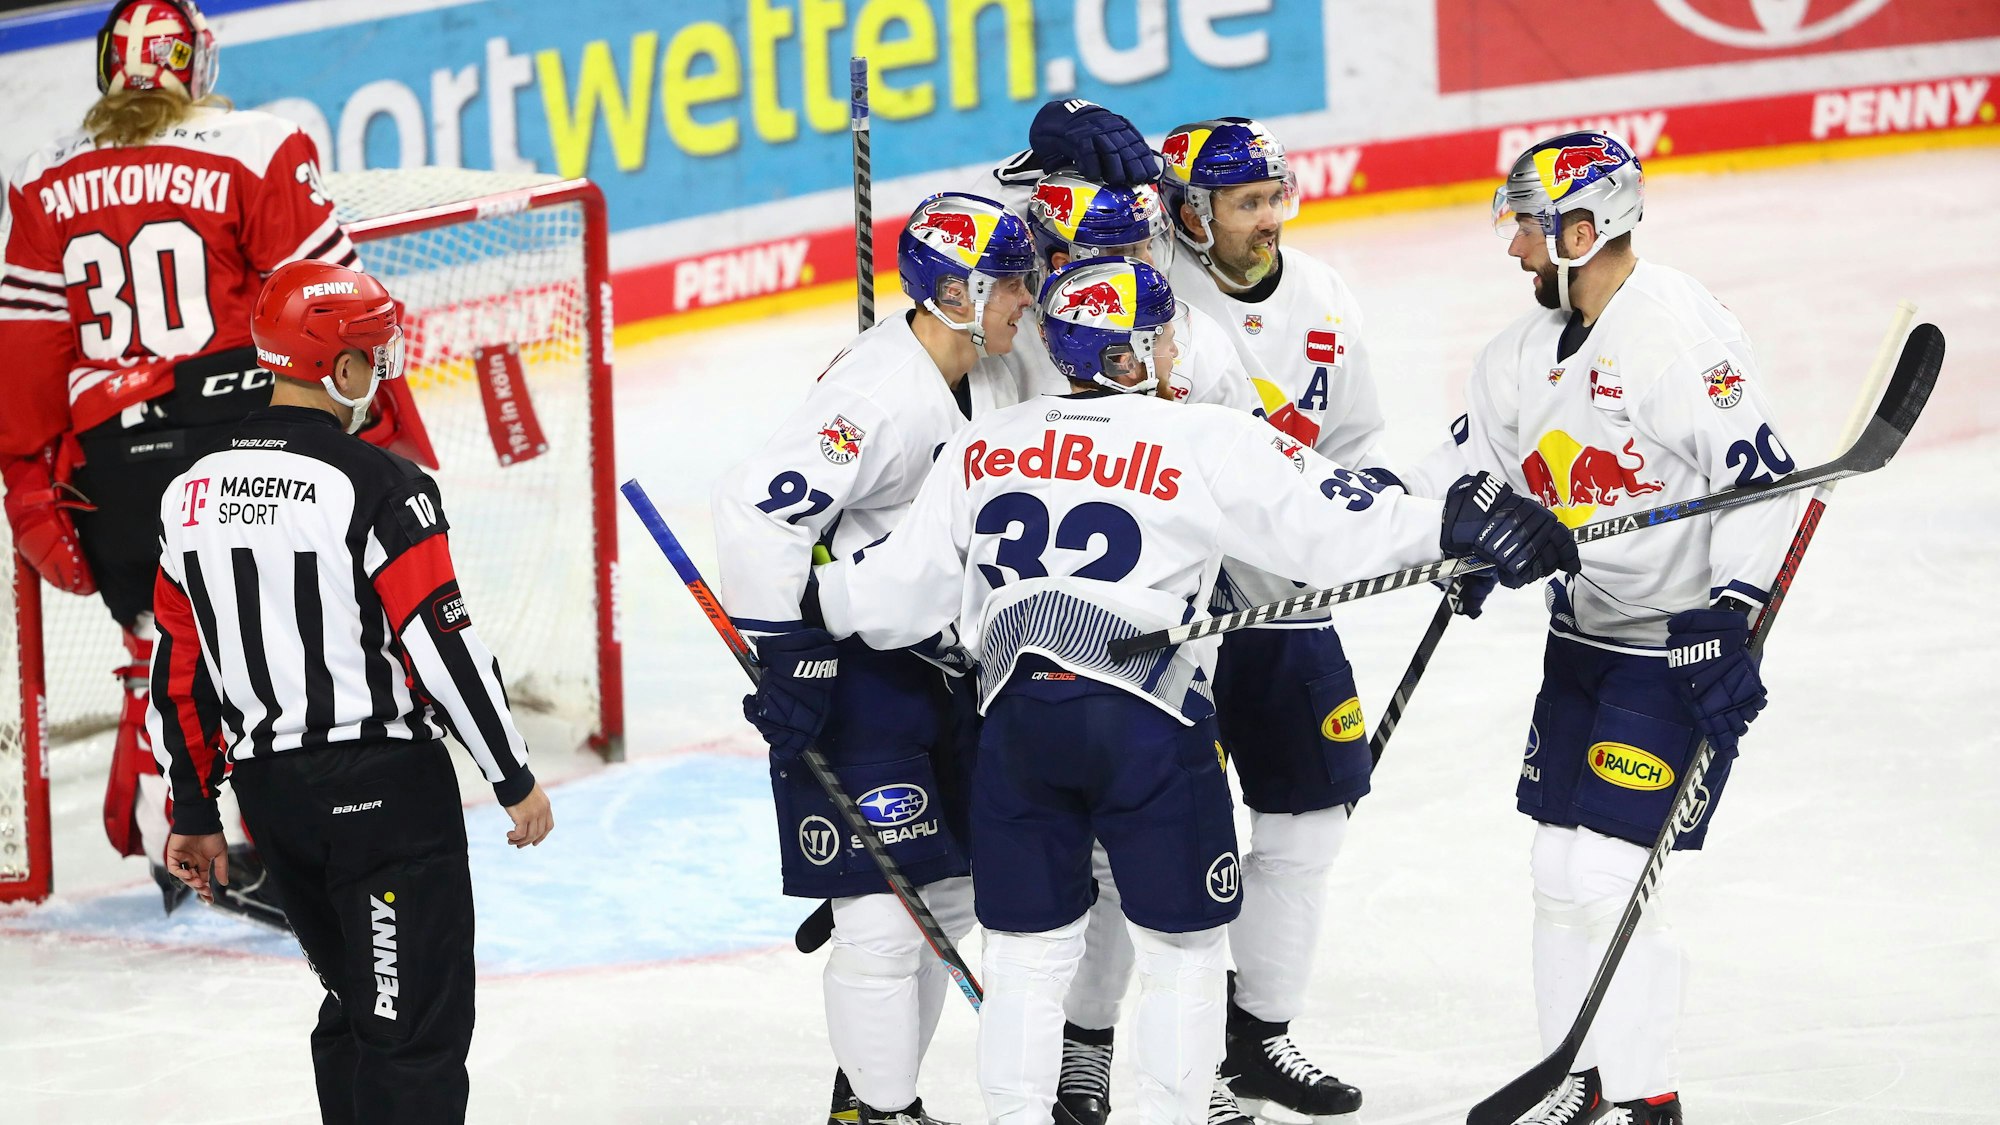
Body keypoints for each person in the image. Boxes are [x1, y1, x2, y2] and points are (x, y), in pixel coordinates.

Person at [775, 255, 1577, 1124]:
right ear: (1125, 356)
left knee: (1024, 959)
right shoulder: (1202, 436)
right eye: (1160, 337)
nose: (1172, 351)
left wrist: (790, 637)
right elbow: (1336, 523)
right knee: (1183, 954)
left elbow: (888, 596)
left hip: (1017, 728)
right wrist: (1460, 526)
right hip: (1146, 724)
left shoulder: (984, 445)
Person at [1400, 131, 1795, 1124]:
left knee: (1608, 874)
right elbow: (1476, 476)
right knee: (1553, 869)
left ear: (1582, 232)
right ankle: (1575, 1084)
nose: (1513, 248)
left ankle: (1646, 1100)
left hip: (1672, 648)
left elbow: (1763, 481)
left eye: (1528, 229)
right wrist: (1463, 544)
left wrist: (1731, 613)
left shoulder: (1670, 338)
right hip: (1578, 638)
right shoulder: (1517, 356)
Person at [151, 259, 554, 1124]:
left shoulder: (187, 494)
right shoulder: (379, 484)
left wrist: (193, 804)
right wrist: (512, 774)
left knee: (357, 1006)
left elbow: (179, 670)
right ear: (339, 366)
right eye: (373, 353)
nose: (381, 369)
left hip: (275, 802)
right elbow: (444, 647)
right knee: (413, 1033)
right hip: (384, 798)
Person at [0, 0, 360, 920]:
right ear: (194, 63)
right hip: (235, 442)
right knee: (276, 644)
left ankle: (182, 839)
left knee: (163, 649)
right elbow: (328, 304)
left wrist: (29, 487)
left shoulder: (43, 175)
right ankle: (278, 843)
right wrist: (373, 430)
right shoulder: (259, 146)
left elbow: (29, 355)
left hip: (114, 470)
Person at [713, 192, 1037, 1125]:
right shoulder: (876, 395)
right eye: (1010, 282)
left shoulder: (989, 368)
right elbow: (757, 511)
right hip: (859, 676)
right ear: (954, 294)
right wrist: (789, 656)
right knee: (885, 922)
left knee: (948, 903)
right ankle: (881, 1114)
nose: (1027, 297)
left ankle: (871, 1097)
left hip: (950, 673)